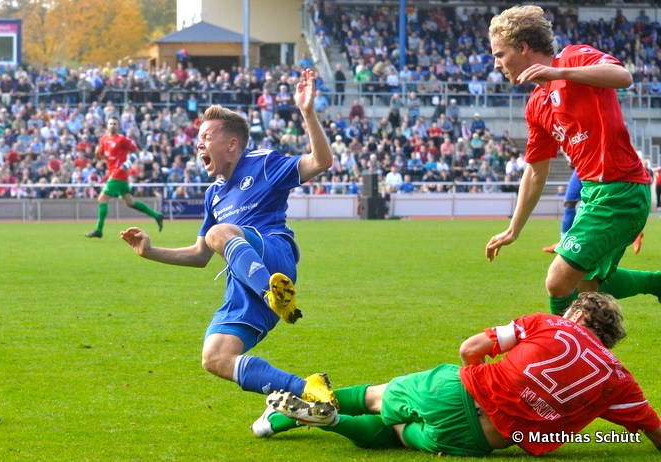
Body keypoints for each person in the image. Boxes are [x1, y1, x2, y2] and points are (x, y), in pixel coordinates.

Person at [119, 69, 337, 407]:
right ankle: (308, 390)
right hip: (245, 280)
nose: (198, 143)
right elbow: (199, 254)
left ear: (231, 144)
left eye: (206, 136)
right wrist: (149, 250)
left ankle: (274, 293)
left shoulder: (263, 163)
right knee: (215, 357)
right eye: (198, 138)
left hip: (273, 253)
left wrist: (307, 112)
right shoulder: (213, 195)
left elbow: (321, 161)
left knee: (220, 232)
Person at [253, 292, 661, 456]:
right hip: (484, 439)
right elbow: (654, 430)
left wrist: (478, 386)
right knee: (395, 436)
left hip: (458, 389)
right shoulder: (619, 381)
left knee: (379, 397)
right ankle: (335, 423)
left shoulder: (550, 323)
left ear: (579, 315)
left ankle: (281, 419)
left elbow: (470, 349)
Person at [484, 5, 660, 315]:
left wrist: (557, 72)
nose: (496, 64)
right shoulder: (536, 105)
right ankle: (655, 285)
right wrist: (514, 229)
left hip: (621, 190)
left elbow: (623, 76)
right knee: (586, 286)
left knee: (557, 281)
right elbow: (536, 172)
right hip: (594, 194)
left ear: (523, 48)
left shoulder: (573, 58)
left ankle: (559, 353)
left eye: (500, 54)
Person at [84, 115, 164, 238]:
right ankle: (157, 216)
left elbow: (137, 152)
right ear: (107, 125)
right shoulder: (104, 139)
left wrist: (128, 163)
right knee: (130, 202)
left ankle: (98, 230)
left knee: (102, 199)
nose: (112, 126)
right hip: (115, 174)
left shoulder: (122, 139)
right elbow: (100, 158)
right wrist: (96, 153)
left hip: (118, 173)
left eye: (115, 124)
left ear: (119, 126)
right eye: (110, 123)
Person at [543, 168, 643, 255]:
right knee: (569, 203)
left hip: (598, 166)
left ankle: (634, 231)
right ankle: (564, 243)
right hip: (580, 167)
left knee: (606, 204)